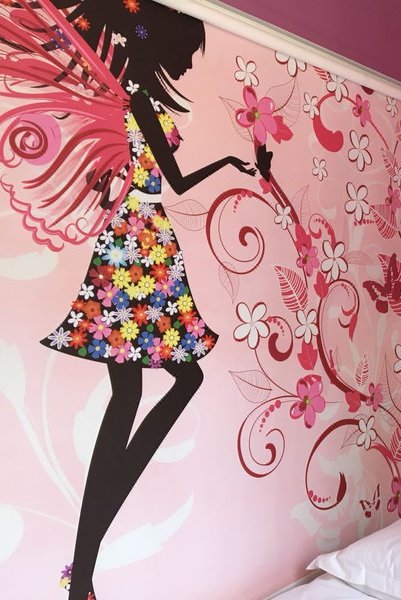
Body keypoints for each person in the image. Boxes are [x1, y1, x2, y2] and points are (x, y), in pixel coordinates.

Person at [0, 2, 258, 598]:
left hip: (141, 241)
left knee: (142, 390)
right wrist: (230, 162)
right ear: (160, 50)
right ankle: (85, 564)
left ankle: (83, 568)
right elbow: (176, 180)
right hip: (139, 246)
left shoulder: (137, 102)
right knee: (163, 384)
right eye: (185, 56)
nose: (187, 68)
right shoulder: (138, 101)